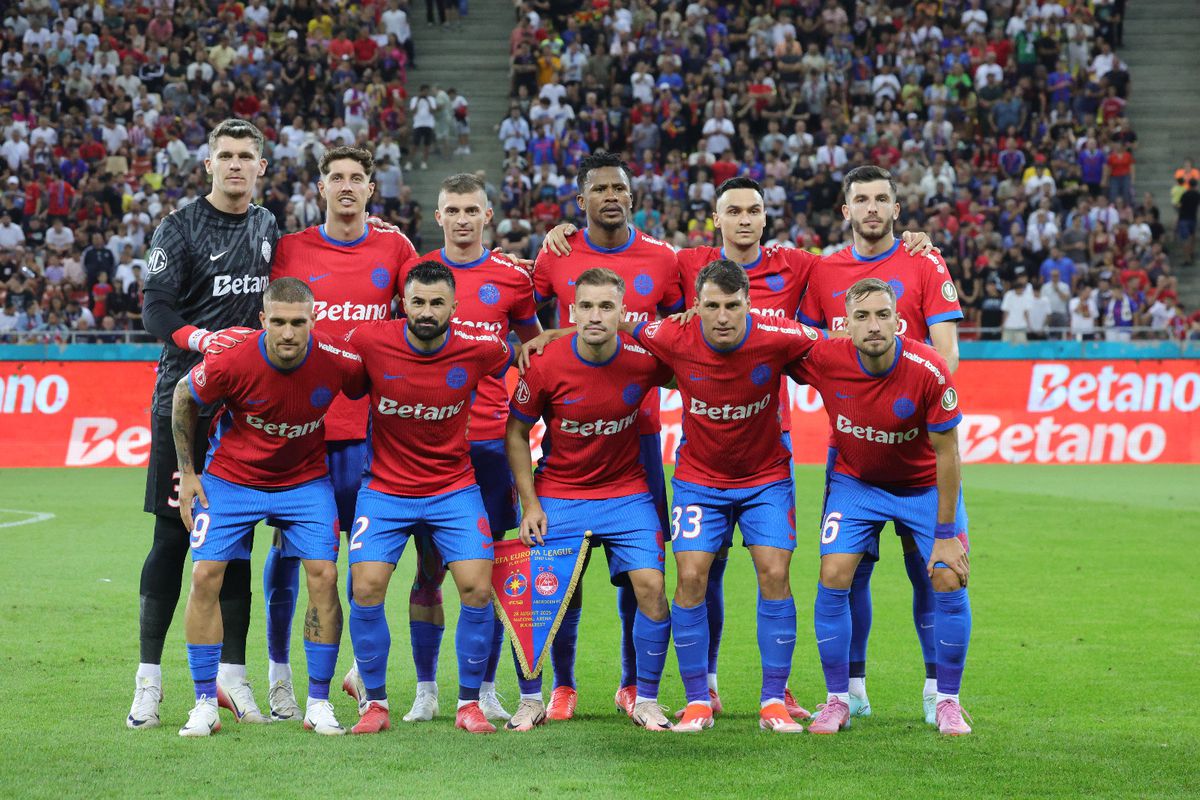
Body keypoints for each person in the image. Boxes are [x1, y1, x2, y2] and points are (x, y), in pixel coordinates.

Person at [667, 176, 934, 717]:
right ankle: (706, 684)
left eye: (754, 210)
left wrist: (909, 243)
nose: (744, 219)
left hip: (770, 442)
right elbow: (628, 303)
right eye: (733, 211)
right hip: (705, 448)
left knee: (775, 571)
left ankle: (778, 691)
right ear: (716, 219)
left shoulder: (799, 265)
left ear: (766, 217)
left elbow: (858, 265)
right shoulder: (685, 262)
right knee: (700, 571)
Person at [344, 173, 542, 725]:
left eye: (470, 210)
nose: (461, 219)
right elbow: (345, 372)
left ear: (487, 215)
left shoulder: (501, 302)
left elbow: (534, 353)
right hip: (391, 478)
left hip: (477, 458)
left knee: (483, 580)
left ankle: (478, 695)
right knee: (396, 579)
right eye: (451, 210)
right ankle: (406, 694)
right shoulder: (398, 295)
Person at [627, 259, 823, 734]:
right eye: (711, 306)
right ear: (695, 306)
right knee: (691, 576)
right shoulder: (671, 335)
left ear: (749, 304)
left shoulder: (778, 335)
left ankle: (773, 701)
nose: (722, 316)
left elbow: (836, 346)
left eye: (732, 306)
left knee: (774, 573)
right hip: (699, 480)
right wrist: (547, 338)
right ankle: (698, 701)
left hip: (765, 478)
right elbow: (613, 326)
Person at [797, 165, 962, 723]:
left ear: (896, 208)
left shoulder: (923, 260)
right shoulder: (823, 270)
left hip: (916, 445)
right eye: (861, 199)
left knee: (931, 571)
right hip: (853, 452)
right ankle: (852, 691)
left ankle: (938, 693)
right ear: (846, 210)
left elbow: (947, 353)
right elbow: (806, 347)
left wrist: (913, 403)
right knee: (847, 573)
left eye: (881, 199)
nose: (872, 208)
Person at [260, 145, 417, 721]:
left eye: (357, 177)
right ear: (320, 187)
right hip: (301, 430)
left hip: (371, 432)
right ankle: (279, 674)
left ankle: (359, 669)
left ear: (371, 189)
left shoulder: (395, 248)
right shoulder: (291, 250)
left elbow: (433, 301)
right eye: (336, 177)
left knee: (364, 558)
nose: (346, 186)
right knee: (289, 556)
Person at [129, 119, 277, 730]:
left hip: (244, 412)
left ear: (261, 167)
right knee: (172, 537)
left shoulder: (268, 227)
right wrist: (203, 340)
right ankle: (148, 682)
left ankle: (233, 681)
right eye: (226, 155)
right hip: (182, 404)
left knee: (235, 542)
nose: (236, 164)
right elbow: (155, 308)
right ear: (208, 165)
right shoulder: (179, 226)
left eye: (246, 156)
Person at [171, 278, 367, 736]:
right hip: (232, 479)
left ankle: (318, 703)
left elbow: (374, 388)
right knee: (204, 575)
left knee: (325, 575)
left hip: (304, 481)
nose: (288, 333)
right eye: (277, 322)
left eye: (298, 322)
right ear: (262, 320)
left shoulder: (338, 358)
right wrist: (188, 472)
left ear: (313, 320)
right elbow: (183, 395)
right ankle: (204, 703)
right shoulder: (233, 358)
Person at [530, 150, 683, 718]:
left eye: (619, 188)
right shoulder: (556, 253)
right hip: (569, 440)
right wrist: (549, 342)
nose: (611, 196)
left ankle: (632, 684)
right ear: (581, 200)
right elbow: (524, 318)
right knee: (562, 579)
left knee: (639, 573)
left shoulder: (663, 259)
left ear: (632, 197)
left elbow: (679, 332)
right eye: (600, 189)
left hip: (637, 437)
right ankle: (563, 685)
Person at [504, 268, 674, 732]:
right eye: (586, 306)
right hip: (559, 491)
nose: (596, 315)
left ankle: (646, 698)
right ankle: (535, 697)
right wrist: (530, 505)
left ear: (622, 312)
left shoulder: (644, 358)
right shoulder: (544, 362)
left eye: (606, 307)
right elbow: (516, 434)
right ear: (572, 311)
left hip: (626, 493)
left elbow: (694, 366)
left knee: (651, 587)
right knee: (540, 592)